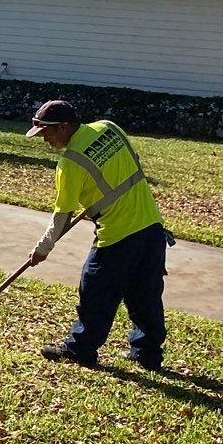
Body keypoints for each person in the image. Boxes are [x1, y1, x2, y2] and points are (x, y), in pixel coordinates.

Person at [24, 98, 172, 370]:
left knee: (94, 290)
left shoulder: (70, 163)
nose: (45, 140)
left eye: (47, 133)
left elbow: (62, 215)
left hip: (118, 235)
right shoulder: (109, 128)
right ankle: (148, 354)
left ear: (64, 127)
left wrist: (43, 248)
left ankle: (80, 350)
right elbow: (135, 162)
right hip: (152, 227)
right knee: (145, 293)